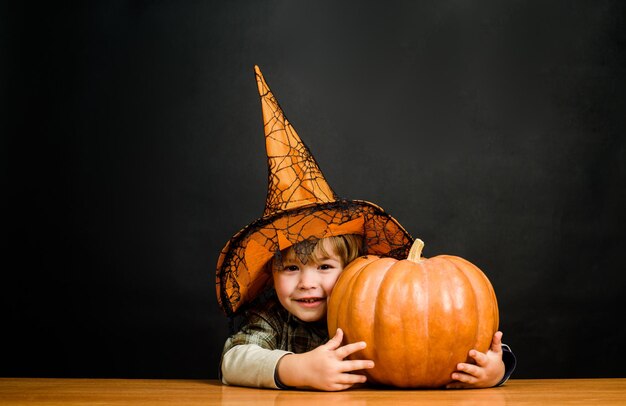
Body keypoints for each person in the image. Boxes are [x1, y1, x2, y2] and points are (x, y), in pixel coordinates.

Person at [215, 66, 516, 391]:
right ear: (271, 275)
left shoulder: (380, 309)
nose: (306, 283)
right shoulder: (274, 319)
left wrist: (494, 370)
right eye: (290, 268)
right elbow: (233, 361)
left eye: (325, 267)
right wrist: (293, 369)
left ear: (351, 268)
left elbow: (441, 338)